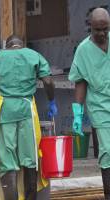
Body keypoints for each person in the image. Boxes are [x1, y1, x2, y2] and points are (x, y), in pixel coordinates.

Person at [0, 35, 57, 200]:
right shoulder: (33, 55)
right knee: (30, 158)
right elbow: (48, 81)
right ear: (21, 45)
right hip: (27, 111)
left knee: (6, 158)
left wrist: (6, 100)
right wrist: (52, 101)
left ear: (7, 46)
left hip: (6, 111)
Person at [69, 7, 110, 200]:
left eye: (105, 29)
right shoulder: (84, 50)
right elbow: (81, 82)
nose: (102, 34)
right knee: (108, 151)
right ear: (90, 27)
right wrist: (77, 113)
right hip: (100, 106)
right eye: (97, 30)